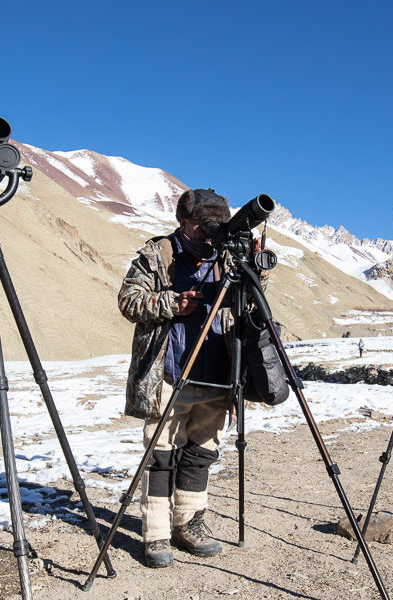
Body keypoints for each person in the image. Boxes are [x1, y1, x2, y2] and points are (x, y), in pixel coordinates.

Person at [117, 188, 240, 568]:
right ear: (183, 222)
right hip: (169, 374)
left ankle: (189, 524)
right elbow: (128, 300)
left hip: (216, 374)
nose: (209, 234)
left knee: (201, 453)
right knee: (161, 455)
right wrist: (171, 303)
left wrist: (256, 269)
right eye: (203, 226)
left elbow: (250, 303)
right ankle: (155, 534)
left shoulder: (229, 257)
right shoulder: (158, 255)